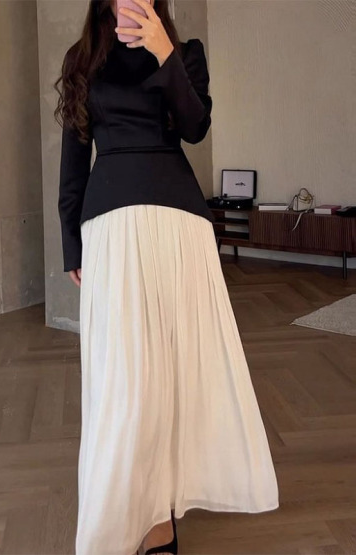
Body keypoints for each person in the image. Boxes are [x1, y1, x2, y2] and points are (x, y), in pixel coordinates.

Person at [54, 0, 279, 553]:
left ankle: (161, 516)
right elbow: (74, 156)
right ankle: (120, 515)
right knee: (123, 381)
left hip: (179, 224)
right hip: (110, 226)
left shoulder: (184, 52)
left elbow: (196, 128)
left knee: (178, 375)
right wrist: (71, 244)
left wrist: (164, 54)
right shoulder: (83, 56)